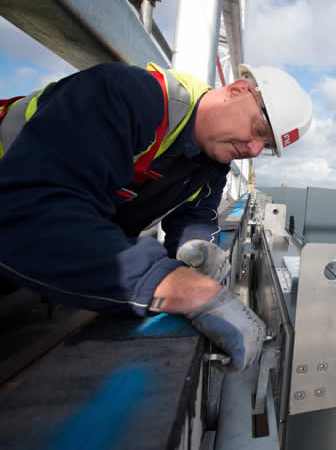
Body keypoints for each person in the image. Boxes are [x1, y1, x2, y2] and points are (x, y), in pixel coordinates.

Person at [0, 61, 312, 372]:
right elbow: (30, 214)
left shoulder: (209, 166)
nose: (255, 150)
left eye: (267, 146)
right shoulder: (125, 95)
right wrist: (187, 290)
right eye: (259, 131)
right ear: (237, 90)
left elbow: (197, 215)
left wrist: (198, 249)